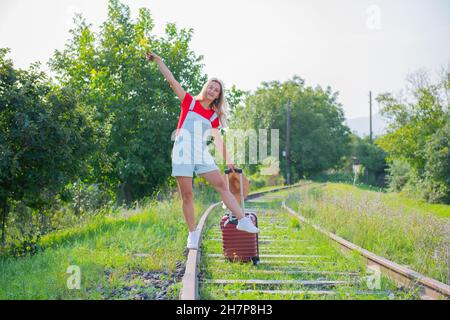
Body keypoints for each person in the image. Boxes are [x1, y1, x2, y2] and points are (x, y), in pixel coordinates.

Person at [145, 51, 260, 250]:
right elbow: (172, 81)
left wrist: (229, 161)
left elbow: (218, 141)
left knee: (221, 185)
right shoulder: (189, 102)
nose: (212, 91)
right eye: (211, 87)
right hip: (182, 152)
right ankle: (192, 234)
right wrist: (159, 61)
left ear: (218, 95)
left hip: (200, 152)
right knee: (187, 195)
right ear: (205, 88)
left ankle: (242, 220)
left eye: (216, 90)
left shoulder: (214, 117)